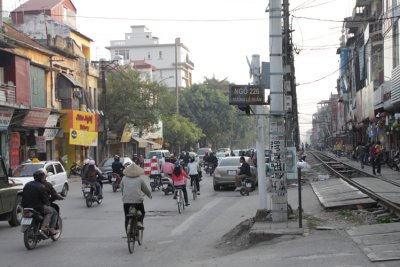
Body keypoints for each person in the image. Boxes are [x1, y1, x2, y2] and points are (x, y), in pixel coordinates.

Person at [21, 169, 59, 235]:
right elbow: (45, 200)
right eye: (43, 177)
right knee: (51, 211)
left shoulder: (27, 184)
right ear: (41, 178)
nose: (44, 178)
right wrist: (48, 204)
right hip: (37, 207)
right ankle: (45, 228)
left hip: (25, 206)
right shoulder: (42, 187)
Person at [121, 163, 152, 230]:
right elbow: (145, 189)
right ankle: (139, 222)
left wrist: (124, 196)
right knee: (142, 212)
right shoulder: (140, 179)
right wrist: (149, 195)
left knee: (127, 217)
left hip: (126, 202)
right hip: (137, 202)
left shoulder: (124, 178)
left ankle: (128, 235)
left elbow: (122, 189)